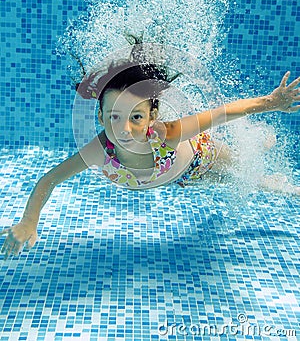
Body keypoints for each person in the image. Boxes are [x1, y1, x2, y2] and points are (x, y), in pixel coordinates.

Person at [1, 45, 300, 259]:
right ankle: (258, 154)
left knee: (239, 170)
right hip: (181, 179)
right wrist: (29, 221)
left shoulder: (167, 135)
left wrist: (270, 102)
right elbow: (50, 179)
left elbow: (220, 113)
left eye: (136, 117)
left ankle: (266, 165)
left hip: (202, 156)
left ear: (152, 116)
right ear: (101, 117)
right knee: (227, 182)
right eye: (114, 117)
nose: (124, 130)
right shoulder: (99, 149)